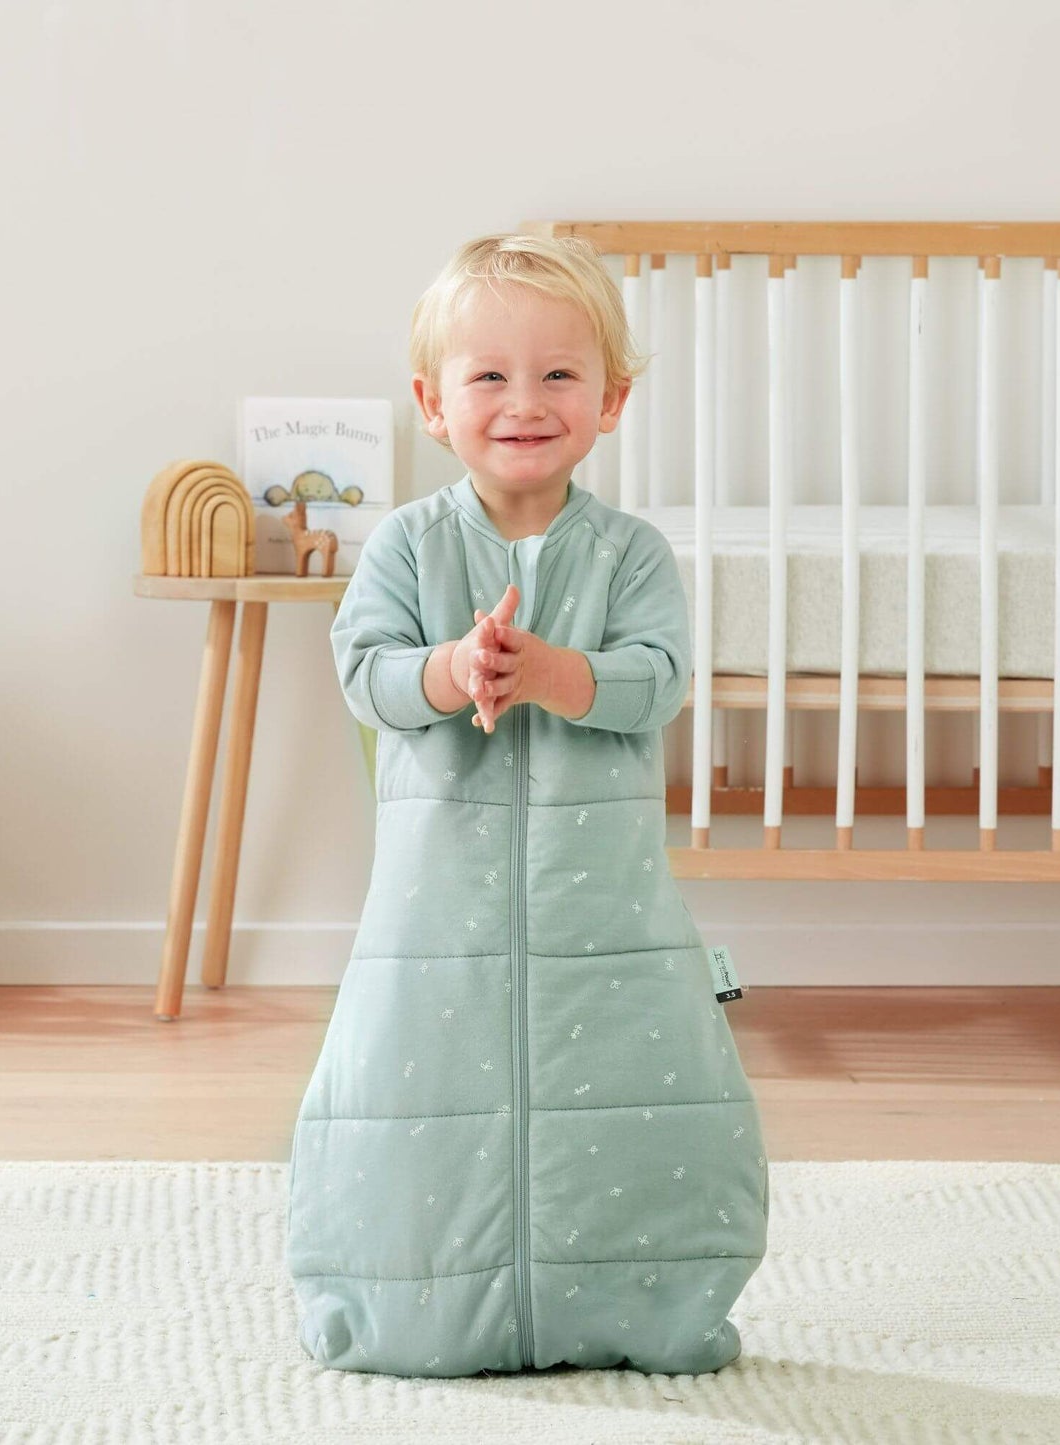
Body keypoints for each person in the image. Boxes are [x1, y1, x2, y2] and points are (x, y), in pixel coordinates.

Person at [286, 234, 769, 1378]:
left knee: (643, 1095)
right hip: (433, 920)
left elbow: (660, 675)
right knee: (406, 1099)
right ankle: (404, 1301)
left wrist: (557, 674)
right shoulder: (404, 544)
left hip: (600, 911)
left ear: (610, 399)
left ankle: (641, 1297)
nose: (523, 401)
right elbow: (365, 672)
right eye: (488, 376)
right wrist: (453, 670)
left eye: (558, 375)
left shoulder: (630, 554)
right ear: (432, 402)